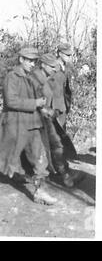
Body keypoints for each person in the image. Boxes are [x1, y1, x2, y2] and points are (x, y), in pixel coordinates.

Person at [0, 47, 57, 205]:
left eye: (34, 61)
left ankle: (40, 191)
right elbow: (11, 101)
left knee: (40, 157)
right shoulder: (11, 77)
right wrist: (35, 103)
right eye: (29, 60)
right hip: (15, 123)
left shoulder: (31, 77)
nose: (32, 64)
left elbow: (37, 98)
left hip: (33, 122)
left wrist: (43, 108)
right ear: (21, 60)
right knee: (6, 156)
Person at [30, 53, 82, 188]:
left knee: (56, 145)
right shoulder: (34, 78)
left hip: (47, 117)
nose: (55, 68)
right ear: (43, 65)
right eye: (52, 66)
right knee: (45, 148)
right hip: (36, 119)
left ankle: (65, 174)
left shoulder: (46, 76)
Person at [50, 43, 73, 130]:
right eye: (67, 55)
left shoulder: (66, 67)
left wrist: (67, 103)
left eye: (69, 55)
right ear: (60, 54)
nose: (69, 57)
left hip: (62, 105)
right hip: (54, 106)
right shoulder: (53, 67)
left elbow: (66, 88)